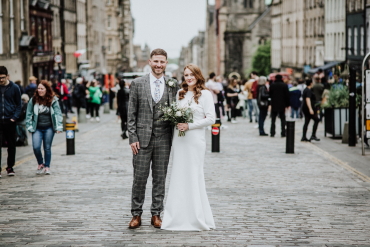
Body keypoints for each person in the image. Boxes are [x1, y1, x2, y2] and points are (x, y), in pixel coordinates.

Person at [127, 48, 179, 229]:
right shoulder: (137, 83)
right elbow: (131, 114)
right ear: (150, 62)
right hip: (141, 140)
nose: (159, 65)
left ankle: (156, 214)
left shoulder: (173, 84)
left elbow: (179, 110)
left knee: (160, 178)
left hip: (164, 138)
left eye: (162, 62)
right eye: (156, 61)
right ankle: (136, 214)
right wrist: (132, 137)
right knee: (139, 178)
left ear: (166, 63)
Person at [161, 64, 216, 231]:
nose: (189, 78)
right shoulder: (180, 93)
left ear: (198, 75)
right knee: (178, 174)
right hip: (180, 140)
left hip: (194, 140)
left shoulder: (205, 94)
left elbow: (211, 119)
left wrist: (190, 125)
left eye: (192, 74)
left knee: (193, 175)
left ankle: (196, 216)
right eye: (186, 75)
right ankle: (176, 216)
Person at [26, 80, 63, 175]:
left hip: (49, 128)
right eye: (38, 88)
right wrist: (29, 126)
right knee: (36, 147)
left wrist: (59, 126)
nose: (40, 90)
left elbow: (58, 113)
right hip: (37, 128)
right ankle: (40, 163)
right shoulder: (34, 99)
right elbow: (29, 114)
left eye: (42, 88)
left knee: (47, 148)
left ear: (47, 89)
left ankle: (47, 166)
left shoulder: (53, 99)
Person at [0, 66, 22, 177]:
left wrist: (14, 117)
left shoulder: (14, 87)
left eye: (2, 77)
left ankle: (10, 167)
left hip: (10, 120)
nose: (1, 80)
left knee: (11, 145)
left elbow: (19, 104)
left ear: (7, 76)